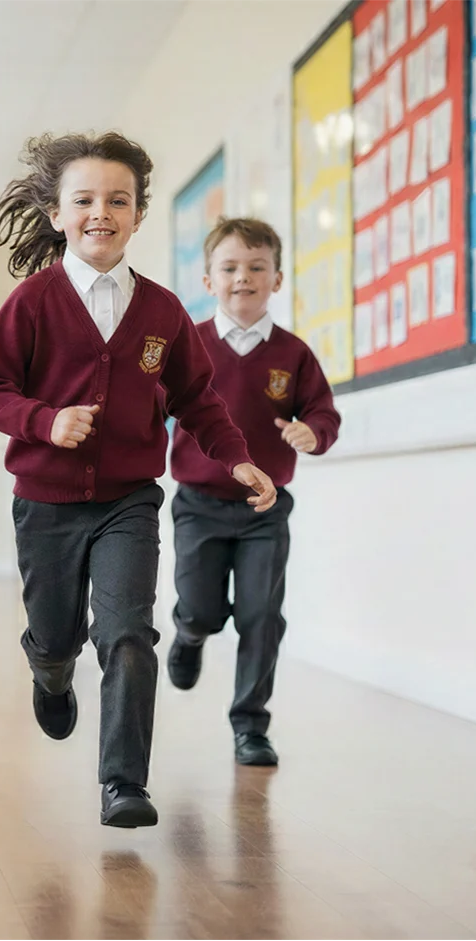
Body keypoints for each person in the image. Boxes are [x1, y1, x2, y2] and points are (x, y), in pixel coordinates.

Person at [0, 132, 277, 827]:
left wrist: (236, 457)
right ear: (56, 213)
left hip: (129, 502)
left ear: (138, 214)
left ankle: (123, 782)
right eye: (84, 200)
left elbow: (198, 400)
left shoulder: (162, 311)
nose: (100, 212)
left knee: (130, 632)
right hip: (45, 502)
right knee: (56, 637)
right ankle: (49, 672)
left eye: (118, 200)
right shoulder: (32, 301)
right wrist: (45, 421)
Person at [167, 216, 341, 767]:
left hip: (265, 510)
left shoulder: (293, 354)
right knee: (201, 608)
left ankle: (250, 726)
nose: (243, 277)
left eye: (256, 267)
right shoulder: (188, 346)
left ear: (277, 279)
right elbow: (151, 405)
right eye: (230, 268)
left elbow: (323, 412)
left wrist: (313, 432)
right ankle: (189, 634)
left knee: (262, 615)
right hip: (198, 504)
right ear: (209, 280)